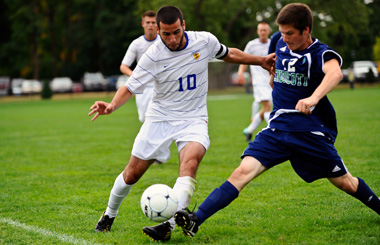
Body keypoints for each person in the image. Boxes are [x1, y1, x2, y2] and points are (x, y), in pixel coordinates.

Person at [174, 3, 380, 239]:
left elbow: (335, 73)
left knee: (346, 183)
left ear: (306, 30)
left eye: (290, 34)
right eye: (282, 33)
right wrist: (274, 78)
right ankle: (196, 219)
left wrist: (314, 97)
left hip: (310, 134)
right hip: (277, 130)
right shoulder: (279, 42)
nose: (284, 39)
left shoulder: (320, 53)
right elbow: (278, 66)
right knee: (241, 173)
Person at [89, 5, 275, 241]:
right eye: (166, 34)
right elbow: (129, 86)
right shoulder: (153, 55)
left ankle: (167, 226)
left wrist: (260, 61)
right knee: (132, 174)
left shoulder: (204, 41)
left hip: (194, 119)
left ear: (184, 25)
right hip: (160, 117)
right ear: (158, 30)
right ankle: (109, 214)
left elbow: (229, 54)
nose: (173, 38)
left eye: (176, 31)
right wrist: (112, 106)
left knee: (190, 163)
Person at [120, 10, 159, 123]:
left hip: (160, 86)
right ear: (143, 24)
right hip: (143, 88)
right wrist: (135, 76)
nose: (150, 25)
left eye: (153, 22)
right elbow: (124, 66)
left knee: (153, 118)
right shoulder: (136, 44)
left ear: (157, 24)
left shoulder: (163, 41)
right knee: (143, 118)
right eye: (148, 22)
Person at [238, 21, 272, 142]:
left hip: (272, 80)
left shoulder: (273, 43)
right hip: (258, 81)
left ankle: (249, 130)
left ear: (269, 31)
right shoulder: (251, 45)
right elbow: (244, 59)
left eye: (265, 30)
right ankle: (273, 130)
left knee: (266, 108)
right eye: (261, 30)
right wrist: (240, 72)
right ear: (258, 32)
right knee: (267, 105)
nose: (263, 32)